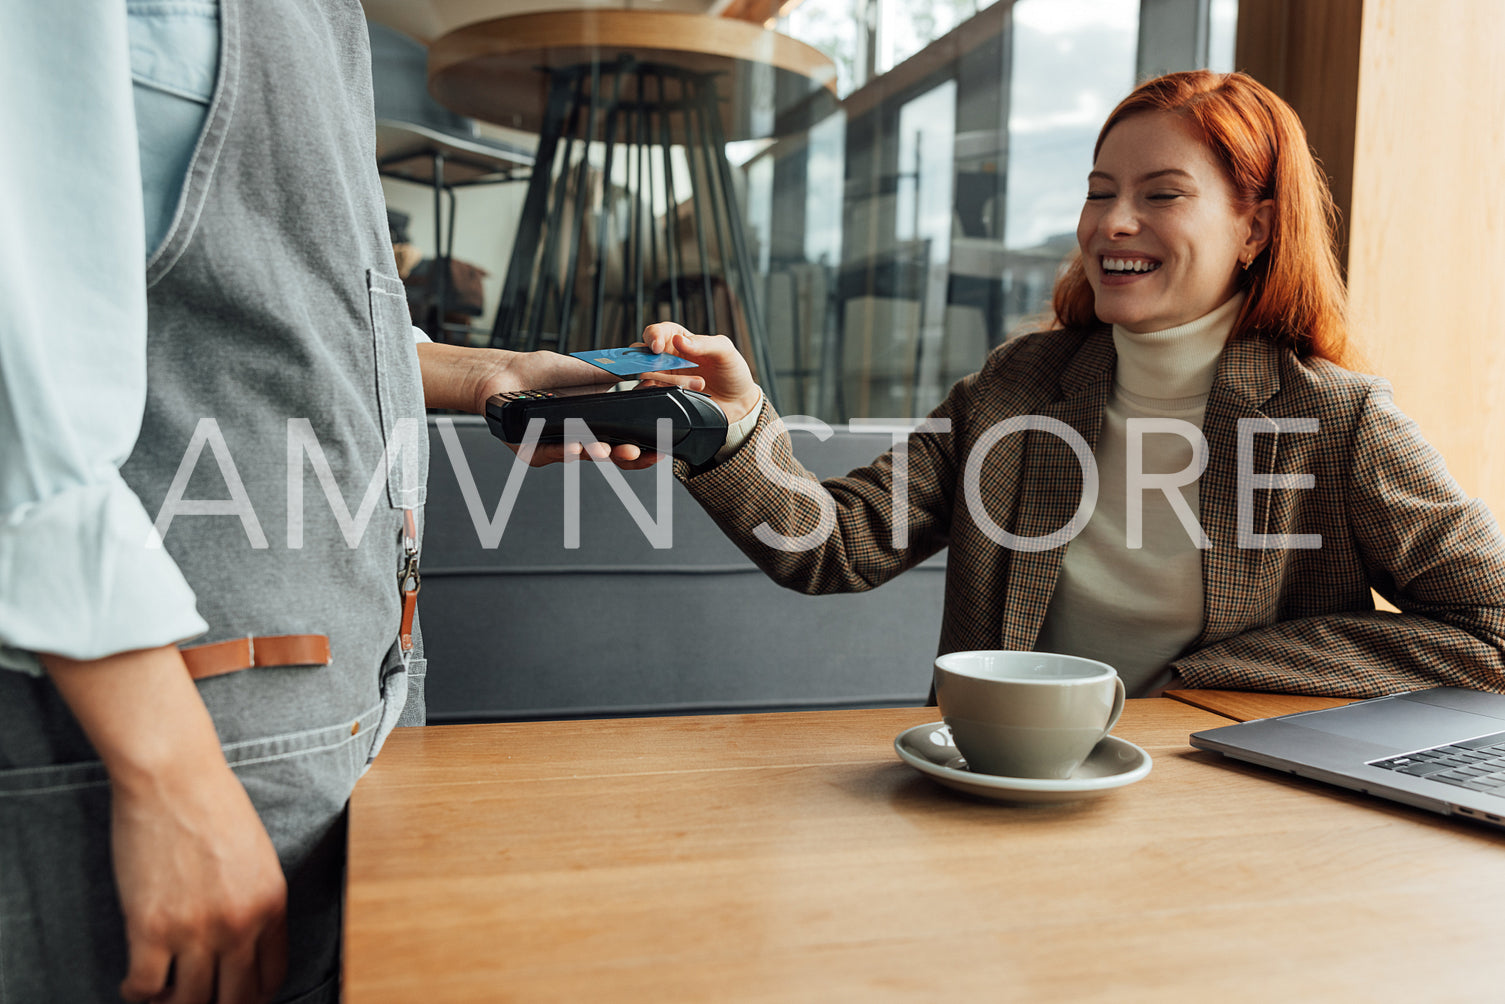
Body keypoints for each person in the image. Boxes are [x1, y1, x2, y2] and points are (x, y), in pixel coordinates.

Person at [0, 3, 666, 1002]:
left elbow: (282, 312)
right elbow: (21, 358)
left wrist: (497, 368)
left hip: (345, 725)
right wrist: (167, 772)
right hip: (160, 749)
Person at [635, 70, 1505, 700]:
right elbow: (831, 546)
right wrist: (730, 423)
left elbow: (1491, 628)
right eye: (1099, 192)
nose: (1112, 222)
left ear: (1254, 229)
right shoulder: (1020, 383)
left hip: (1229, 809)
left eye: (1162, 195)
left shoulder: (1335, 419)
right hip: (1003, 783)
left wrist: (1217, 675)